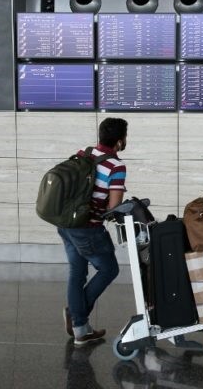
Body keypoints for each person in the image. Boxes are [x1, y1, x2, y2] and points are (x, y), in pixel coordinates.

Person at [59, 117, 128, 346]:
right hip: (87, 229)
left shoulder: (84, 153)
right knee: (109, 269)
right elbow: (113, 208)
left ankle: (80, 330)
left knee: (77, 274)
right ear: (119, 141)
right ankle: (76, 315)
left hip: (66, 223)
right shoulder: (116, 166)